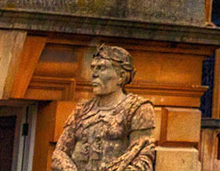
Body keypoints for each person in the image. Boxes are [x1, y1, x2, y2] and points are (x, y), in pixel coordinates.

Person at [49, 43, 157, 171]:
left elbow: (143, 160)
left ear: (121, 77)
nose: (94, 74)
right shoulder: (81, 111)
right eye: (93, 68)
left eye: (101, 68)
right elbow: (59, 153)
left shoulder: (137, 109)